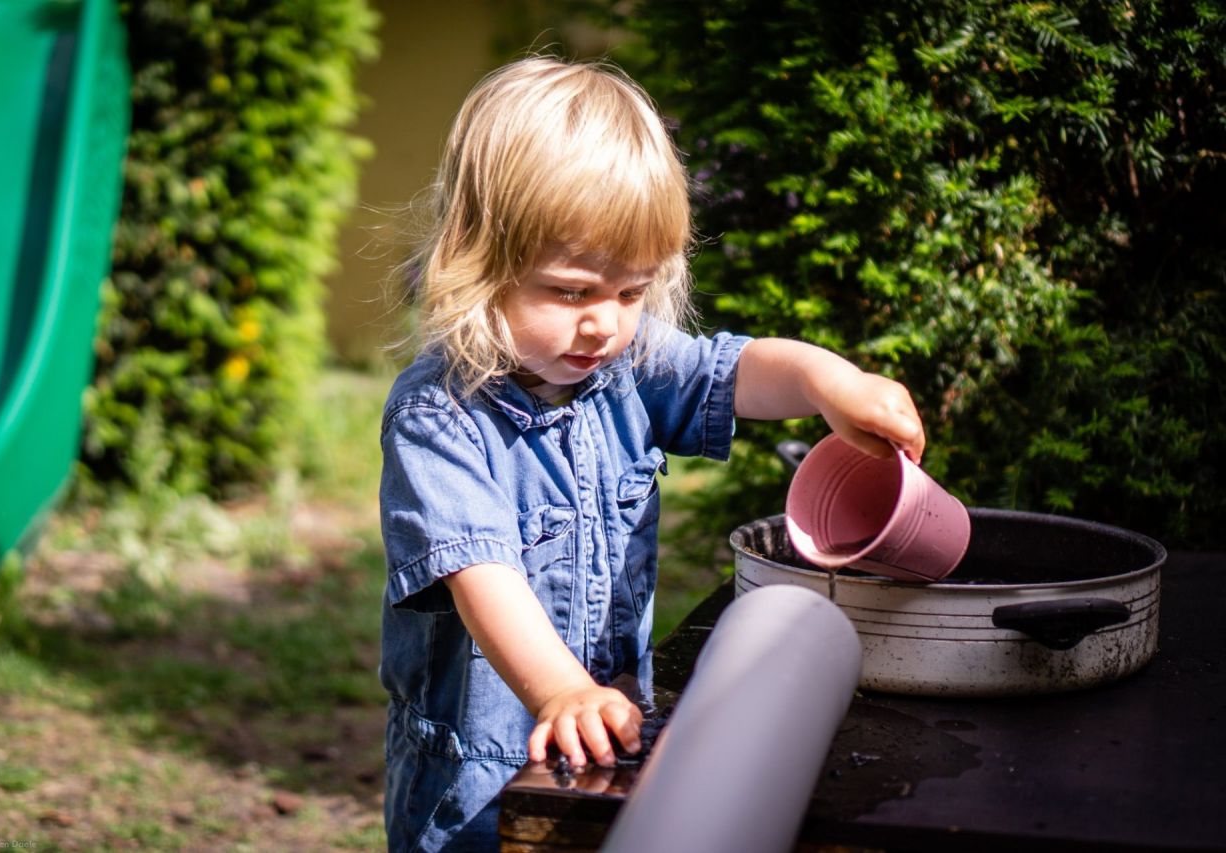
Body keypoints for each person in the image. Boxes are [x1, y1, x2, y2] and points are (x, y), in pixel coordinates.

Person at [378, 56, 925, 852]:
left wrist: (828, 381)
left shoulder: (622, 368)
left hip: (606, 735)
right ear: (478, 260)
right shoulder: (440, 416)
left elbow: (730, 370)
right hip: (480, 782)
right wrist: (562, 689)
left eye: (631, 293)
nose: (604, 323)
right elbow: (482, 575)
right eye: (569, 292)